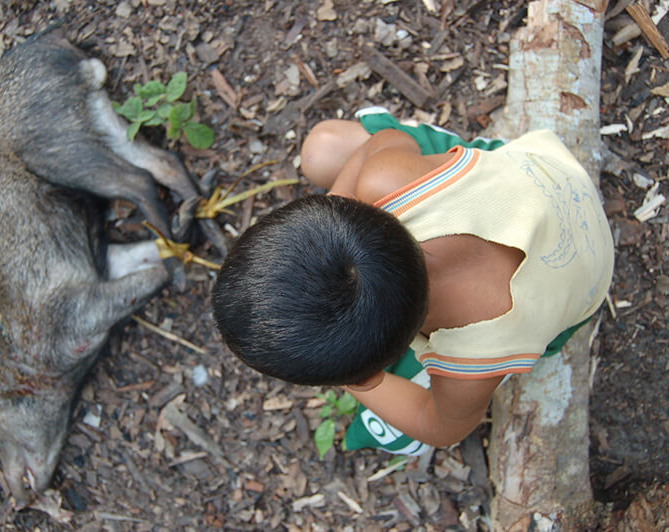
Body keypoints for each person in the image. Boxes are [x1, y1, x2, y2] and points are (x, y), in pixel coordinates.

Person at [211, 107, 614, 454]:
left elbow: (441, 427)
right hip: (544, 176)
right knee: (323, 147)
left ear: (364, 374)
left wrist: (360, 385)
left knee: (408, 401)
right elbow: (387, 138)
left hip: (584, 286)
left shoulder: (472, 361)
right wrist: (336, 209)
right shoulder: (384, 180)